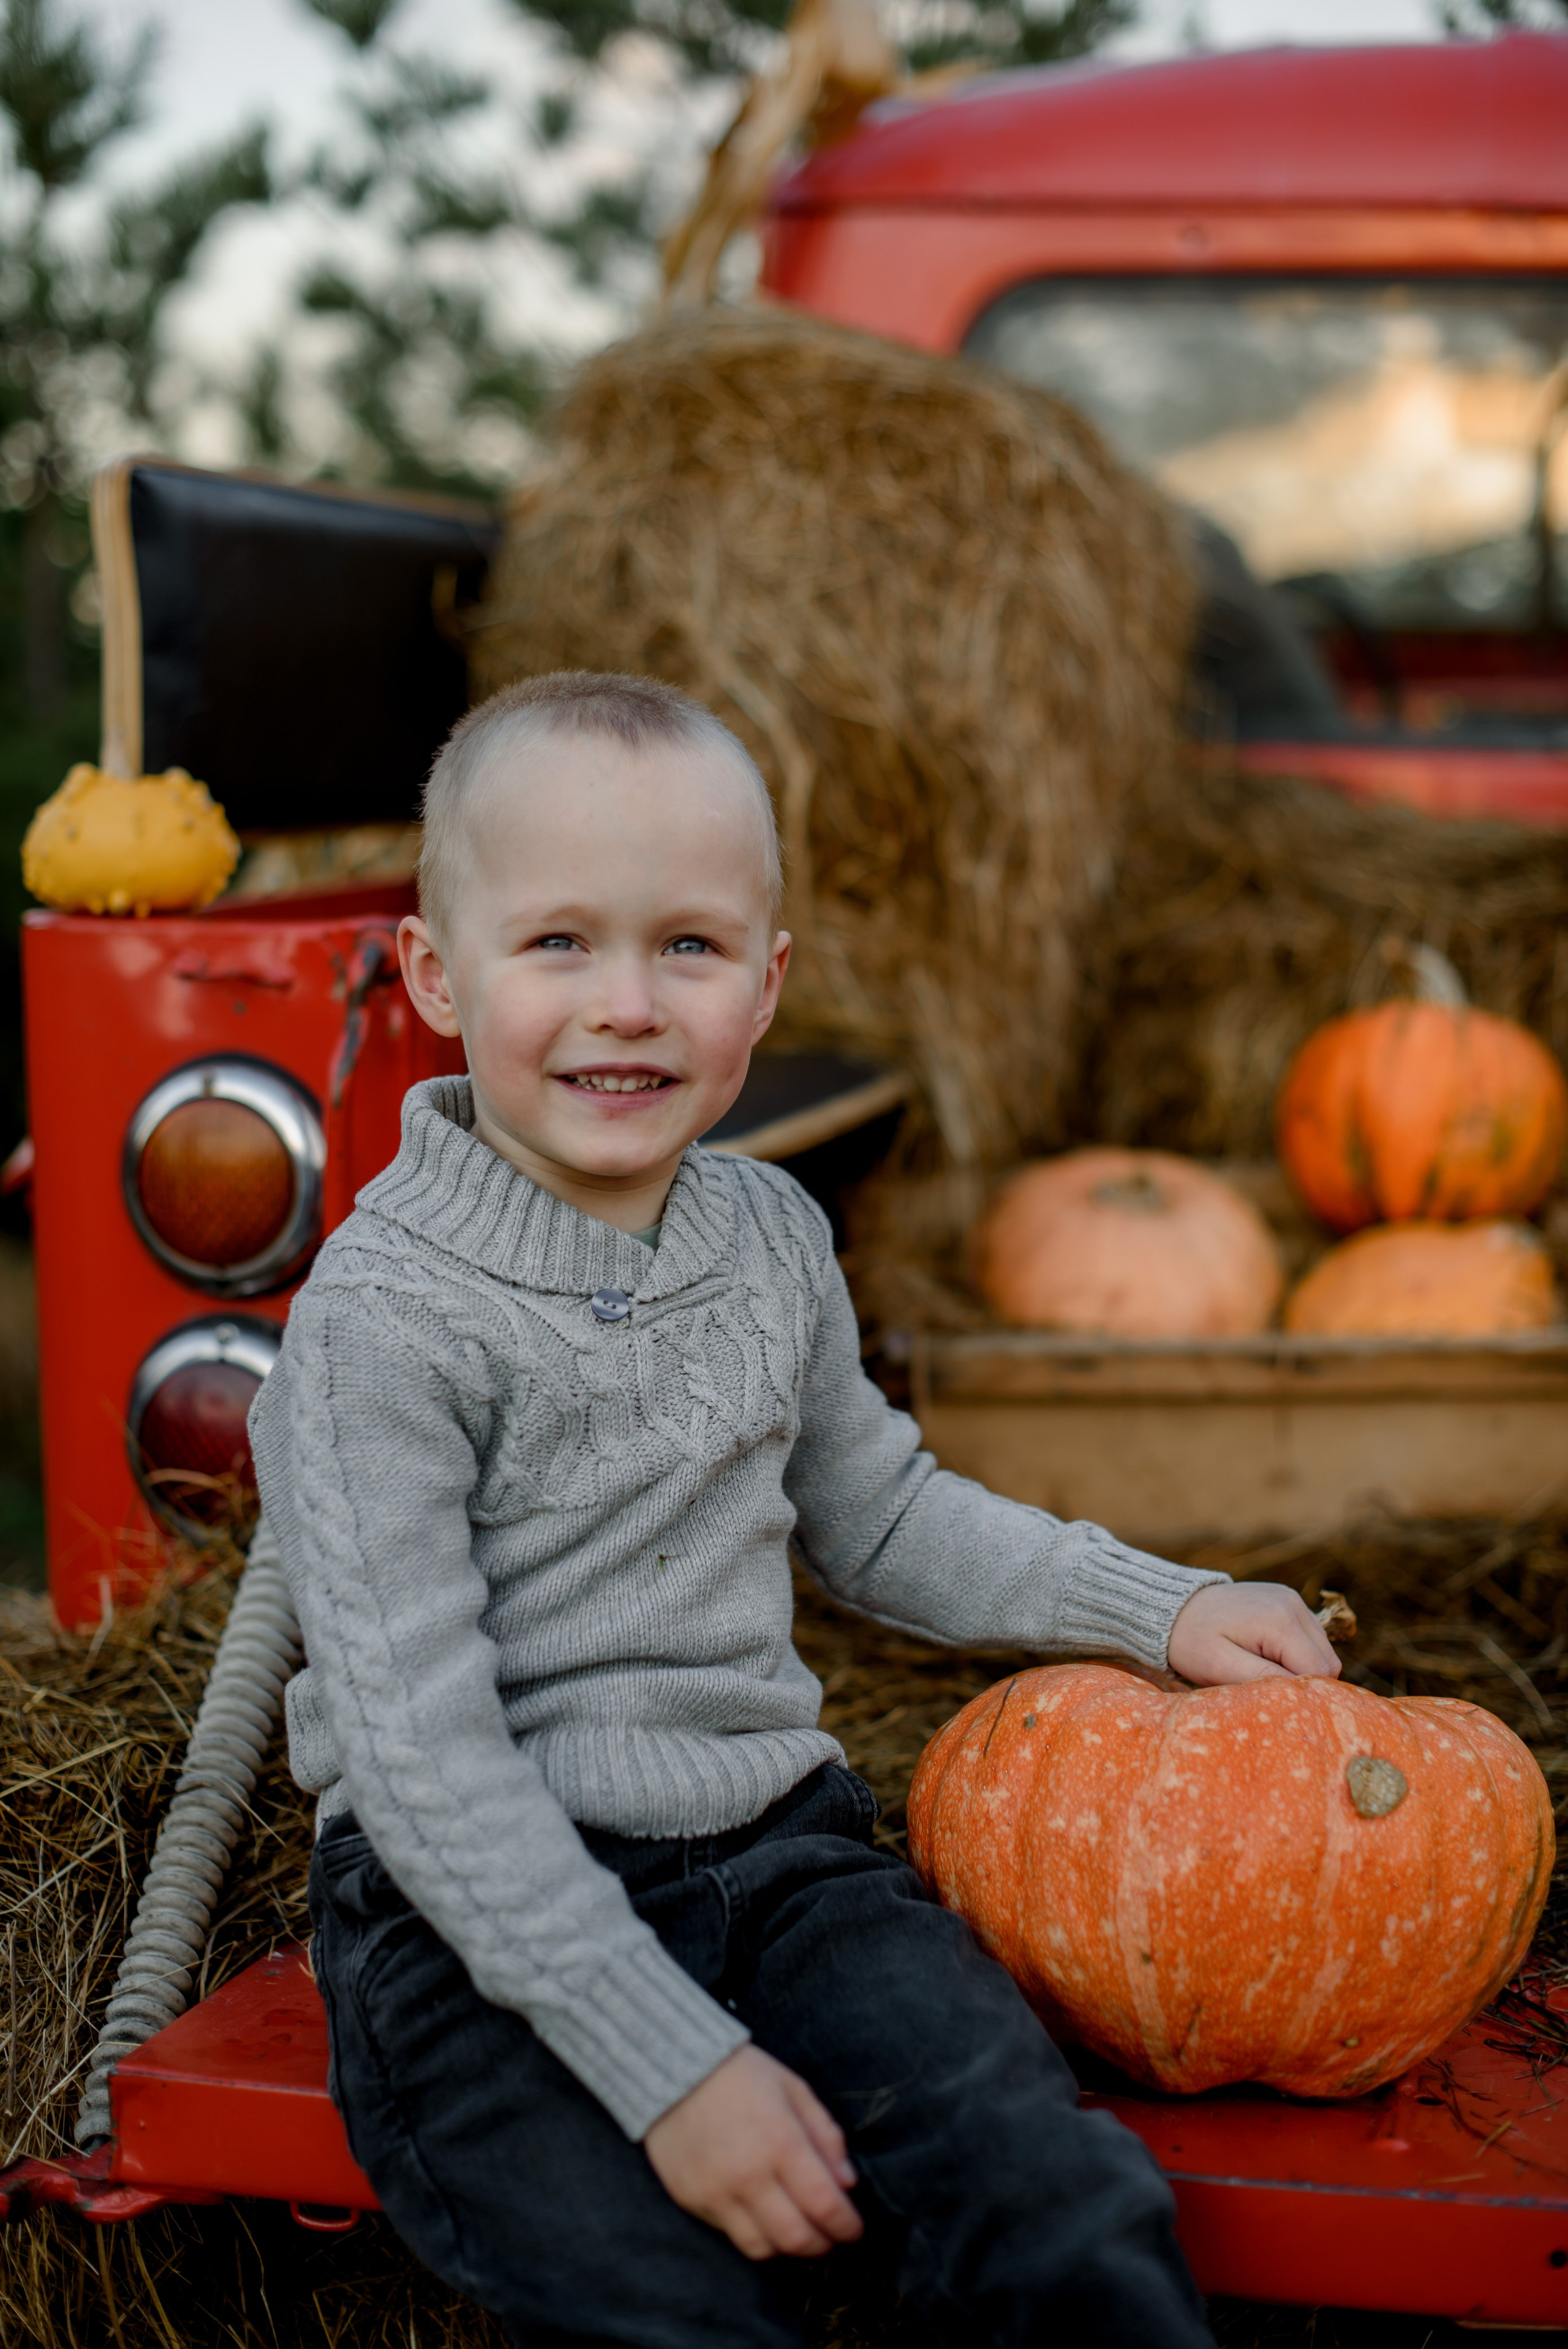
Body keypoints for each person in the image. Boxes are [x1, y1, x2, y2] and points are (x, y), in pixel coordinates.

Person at [249, 669, 1340, 2349]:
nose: (628, 1003)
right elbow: (422, 1760)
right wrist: (674, 2070)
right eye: (559, 944)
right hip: (464, 1913)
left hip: (776, 1852)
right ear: (434, 978)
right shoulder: (380, 1324)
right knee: (666, 2292)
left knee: (1041, 2187)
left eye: (687, 946)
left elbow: (881, 1513)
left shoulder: (766, 1236)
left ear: (765, 987)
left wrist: (1160, 1606)